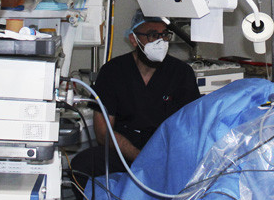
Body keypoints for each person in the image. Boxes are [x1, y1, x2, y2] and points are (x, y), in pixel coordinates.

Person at [71, 10, 201, 179]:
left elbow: (191, 127)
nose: (160, 42)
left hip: (165, 153)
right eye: (152, 35)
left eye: (164, 35)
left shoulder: (181, 73)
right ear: (133, 39)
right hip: (123, 151)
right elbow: (103, 132)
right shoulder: (113, 71)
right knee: (83, 165)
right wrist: (139, 157)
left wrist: (162, 157)